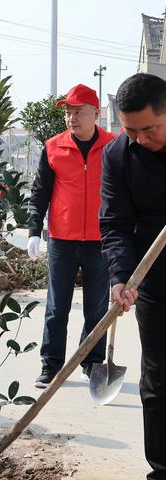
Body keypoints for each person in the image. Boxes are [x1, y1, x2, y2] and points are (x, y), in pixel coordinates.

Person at [100, 72, 166, 480]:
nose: (140, 138)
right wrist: (121, 276)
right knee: (159, 382)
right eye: (130, 130)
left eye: (150, 129)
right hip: (155, 282)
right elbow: (115, 222)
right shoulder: (118, 155)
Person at [28, 84, 115, 388]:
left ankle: (91, 362)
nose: (71, 117)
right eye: (68, 112)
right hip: (62, 239)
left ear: (95, 113)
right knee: (57, 305)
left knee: (96, 306)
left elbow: (126, 194)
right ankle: (51, 365)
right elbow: (40, 192)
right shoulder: (53, 147)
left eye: (78, 111)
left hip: (100, 240)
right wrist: (34, 230)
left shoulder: (114, 146)